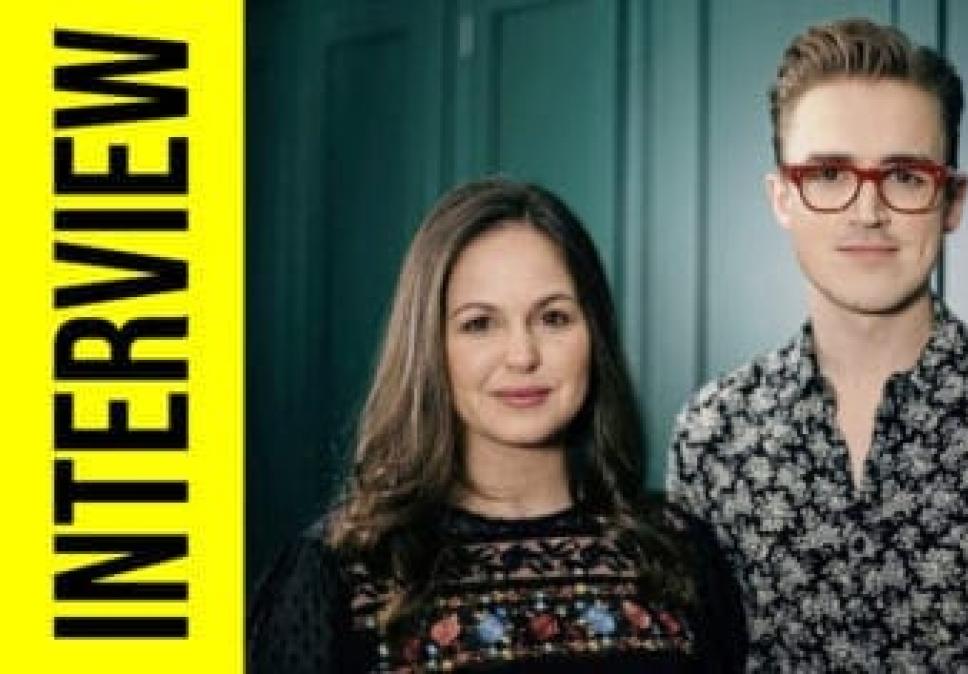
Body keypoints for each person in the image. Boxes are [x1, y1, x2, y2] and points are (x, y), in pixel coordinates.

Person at [667, 18, 968, 673]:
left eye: (904, 175)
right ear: (781, 198)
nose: (868, 211)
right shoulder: (710, 433)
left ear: (952, 200)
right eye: (828, 173)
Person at [250, 178, 747, 673]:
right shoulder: (336, 574)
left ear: (594, 335)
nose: (522, 355)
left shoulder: (679, 556)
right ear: (430, 347)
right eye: (479, 324)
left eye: (553, 318)